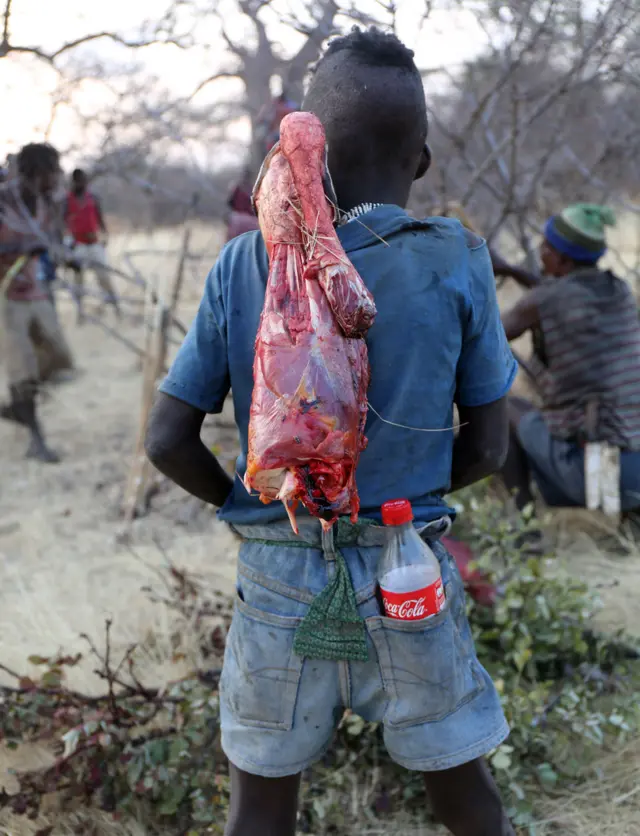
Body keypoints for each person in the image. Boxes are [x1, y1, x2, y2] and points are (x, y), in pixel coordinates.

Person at [145, 28, 517, 836]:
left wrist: (246, 510)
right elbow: (490, 447)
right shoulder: (457, 259)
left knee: (262, 808)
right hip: (407, 571)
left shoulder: (245, 264)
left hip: (279, 574)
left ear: (300, 149)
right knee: (464, 791)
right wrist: (410, 491)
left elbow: (167, 439)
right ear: (421, 160)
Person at [500, 203, 640, 515]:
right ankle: (630, 527)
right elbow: (564, 292)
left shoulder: (545, 300)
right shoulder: (620, 292)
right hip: (636, 466)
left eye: (546, 246)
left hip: (598, 475)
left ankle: (524, 535)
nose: (540, 251)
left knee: (505, 410)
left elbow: (488, 335)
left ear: (562, 259)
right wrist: (510, 271)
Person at [0, 142, 74, 463]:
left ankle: (18, 406)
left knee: (59, 357)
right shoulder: (4, 199)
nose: (58, 176)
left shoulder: (47, 203)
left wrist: (64, 258)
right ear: (38, 172)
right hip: (5, 296)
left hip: (35, 290)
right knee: (22, 368)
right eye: (53, 170)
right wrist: (19, 249)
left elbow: (50, 242)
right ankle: (35, 440)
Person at [65, 168, 119, 323]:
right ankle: (80, 313)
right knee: (78, 280)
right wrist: (68, 242)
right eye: (79, 180)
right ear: (74, 181)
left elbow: (99, 217)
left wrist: (105, 235)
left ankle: (116, 308)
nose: (82, 184)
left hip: (94, 243)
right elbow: (62, 222)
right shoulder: (67, 200)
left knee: (104, 277)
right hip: (78, 244)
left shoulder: (93, 197)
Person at [225, 166, 259, 243]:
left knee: (232, 242)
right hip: (250, 220)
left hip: (238, 219)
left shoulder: (237, 187)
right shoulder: (253, 189)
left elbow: (229, 202)